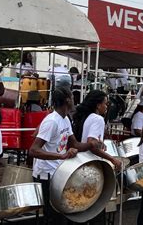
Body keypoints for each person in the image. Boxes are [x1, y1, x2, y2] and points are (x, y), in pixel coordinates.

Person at [29, 87, 97, 224]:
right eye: (72, 97)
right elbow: (33, 150)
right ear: (67, 100)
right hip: (45, 175)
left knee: (62, 215)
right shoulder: (52, 121)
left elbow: (75, 144)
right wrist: (61, 156)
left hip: (58, 174)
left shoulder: (65, 119)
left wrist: (92, 144)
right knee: (54, 218)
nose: (74, 100)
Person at [73, 90, 122, 169]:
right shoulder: (98, 119)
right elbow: (92, 145)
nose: (106, 107)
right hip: (90, 163)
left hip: (78, 161)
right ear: (98, 105)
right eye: (105, 104)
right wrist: (112, 159)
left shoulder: (85, 116)